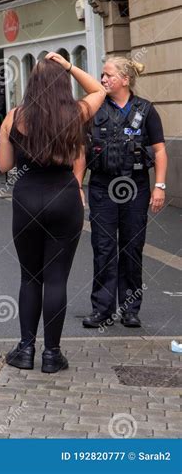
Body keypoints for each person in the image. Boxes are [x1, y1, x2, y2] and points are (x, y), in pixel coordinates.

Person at [0, 52, 106, 373]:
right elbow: (100, 91)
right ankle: (52, 355)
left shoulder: (13, 116)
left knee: (30, 277)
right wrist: (70, 66)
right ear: (63, 84)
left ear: (32, 84)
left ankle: (26, 349)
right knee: (56, 278)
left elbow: (4, 165)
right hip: (64, 198)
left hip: (27, 198)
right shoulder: (75, 113)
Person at [81, 57, 167, 329]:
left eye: (108, 76)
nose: (103, 80)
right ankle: (102, 309)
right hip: (102, 187)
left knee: (132, 248)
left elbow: (160, 150)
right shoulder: (95, 107)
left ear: (125, 79)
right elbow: (81, 151)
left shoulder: (146, 110)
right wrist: (76, 185)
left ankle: (130, 309)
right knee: (103, 248)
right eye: (102, 75)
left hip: (135, 187)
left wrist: (160, 186)